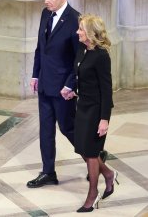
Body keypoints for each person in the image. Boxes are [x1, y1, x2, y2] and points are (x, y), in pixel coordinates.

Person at [28, 0, 85, 188]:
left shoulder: (75, 20)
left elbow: (78, 59)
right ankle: (48, 172)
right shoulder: (46, 14)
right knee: (45, 130)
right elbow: (40, 48)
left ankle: (94, 156)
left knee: (68, 128)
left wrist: (70, 85)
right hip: (45, 83)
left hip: (63, 88)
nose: (45, 1)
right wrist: (35, 75)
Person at [68, 14, 117, 212]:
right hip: (82, 106)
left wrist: (104, 119)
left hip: (96, 111)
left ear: (89, 33)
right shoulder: (83, 49)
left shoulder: (101, 56)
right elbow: (80, 75)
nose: (77, 32)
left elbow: (106, 89)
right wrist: (73, 90)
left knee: (90, 152)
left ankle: (92, 194)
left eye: (81, 29)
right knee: (82, 148)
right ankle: (108, 174)